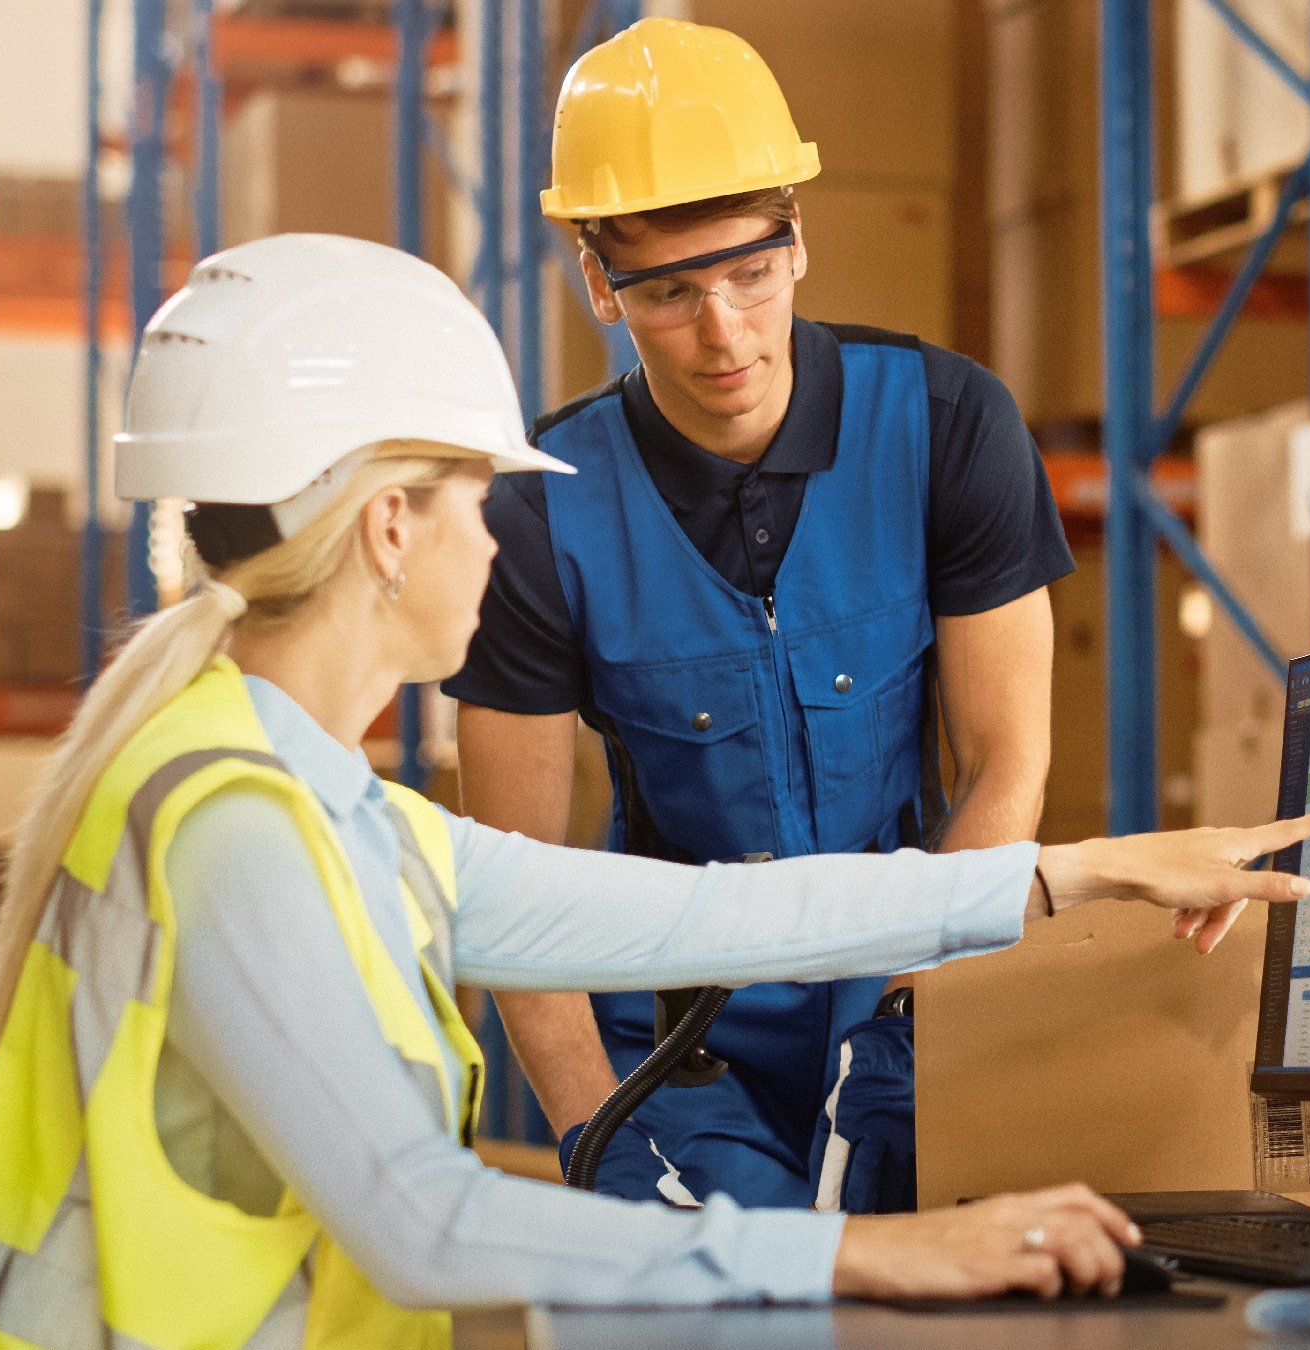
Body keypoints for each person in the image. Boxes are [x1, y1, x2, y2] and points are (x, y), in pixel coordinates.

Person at [0, 235, 1310, 1345]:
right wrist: (876, 1250)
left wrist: (1072, 872)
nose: (505, 541)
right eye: (483, 500)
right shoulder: (231, 829)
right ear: (387, 528)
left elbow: (693, 922)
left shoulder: (322, 809)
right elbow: (423, 1220)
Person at [444, 17, 1076, 1211]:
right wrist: (593, 1129)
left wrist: (914, 1006)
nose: (725, 333)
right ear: (598, 283)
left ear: (799, 239)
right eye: (673, 292)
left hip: (905, 994)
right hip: (678, 1045)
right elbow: (511, 883)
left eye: (749, 273)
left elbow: (1007, 763)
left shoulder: (948, 425)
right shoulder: (538, 516)